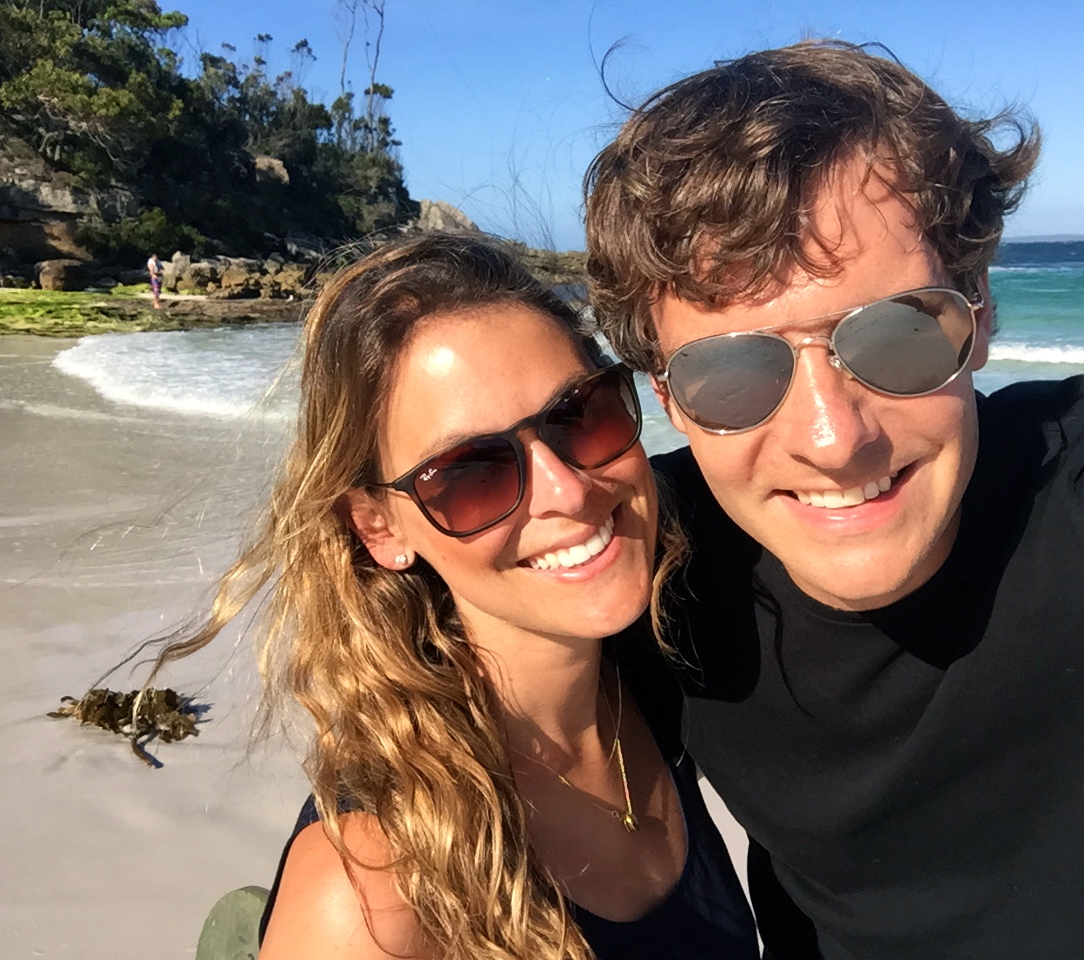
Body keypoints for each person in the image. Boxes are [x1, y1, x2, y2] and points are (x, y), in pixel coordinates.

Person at [584, 39, 1084, 959]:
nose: (832, 439)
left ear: (979, 312)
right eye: (733, 374)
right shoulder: (653, 564)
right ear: (669, 398)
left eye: (896, 335)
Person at [150, 234, 758, 960]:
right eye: (471, 474)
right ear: (378, 528)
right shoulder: (372, 896)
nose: (567, 492)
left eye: (581, 415)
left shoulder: (653, 667)